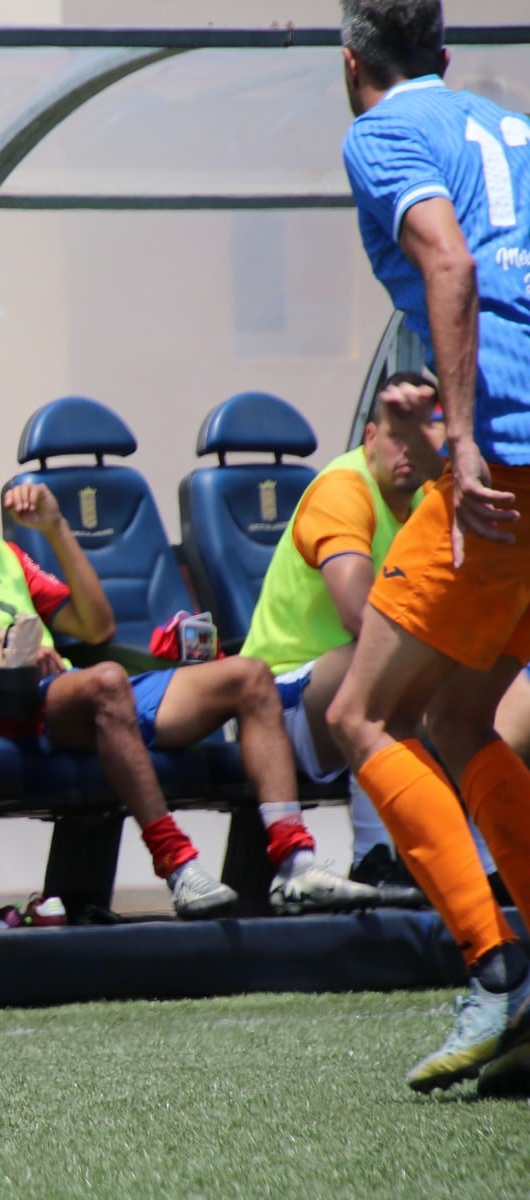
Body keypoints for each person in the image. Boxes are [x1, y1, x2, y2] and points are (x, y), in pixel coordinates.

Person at [0, 408, 378, 921]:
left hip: (71, 695)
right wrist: (4, 635)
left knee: (248, 676)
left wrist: (55, 527)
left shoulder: (6, 555)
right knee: (107, 682)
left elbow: (95, 626)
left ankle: (295, 863)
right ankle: (178, 865)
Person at [329, 0, 530, 1097]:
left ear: (351, 62)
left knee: (357, 715)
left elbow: (448, 270)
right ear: (445, 59)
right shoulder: (510, 129)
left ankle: (496, 969)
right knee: (459, 718)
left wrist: (458, 439)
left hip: (502, 458)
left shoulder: (377, 131)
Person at [242, 375, 445, 907]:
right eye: (398, 435)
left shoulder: (428, 498)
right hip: (277, 703)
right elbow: (360, 615)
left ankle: (483, 863)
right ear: (371, 437)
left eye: (422, 435)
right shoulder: (342, 488)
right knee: (383, 660)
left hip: (348, 692)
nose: (409, 450)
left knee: (470, 675)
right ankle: (374, 858)